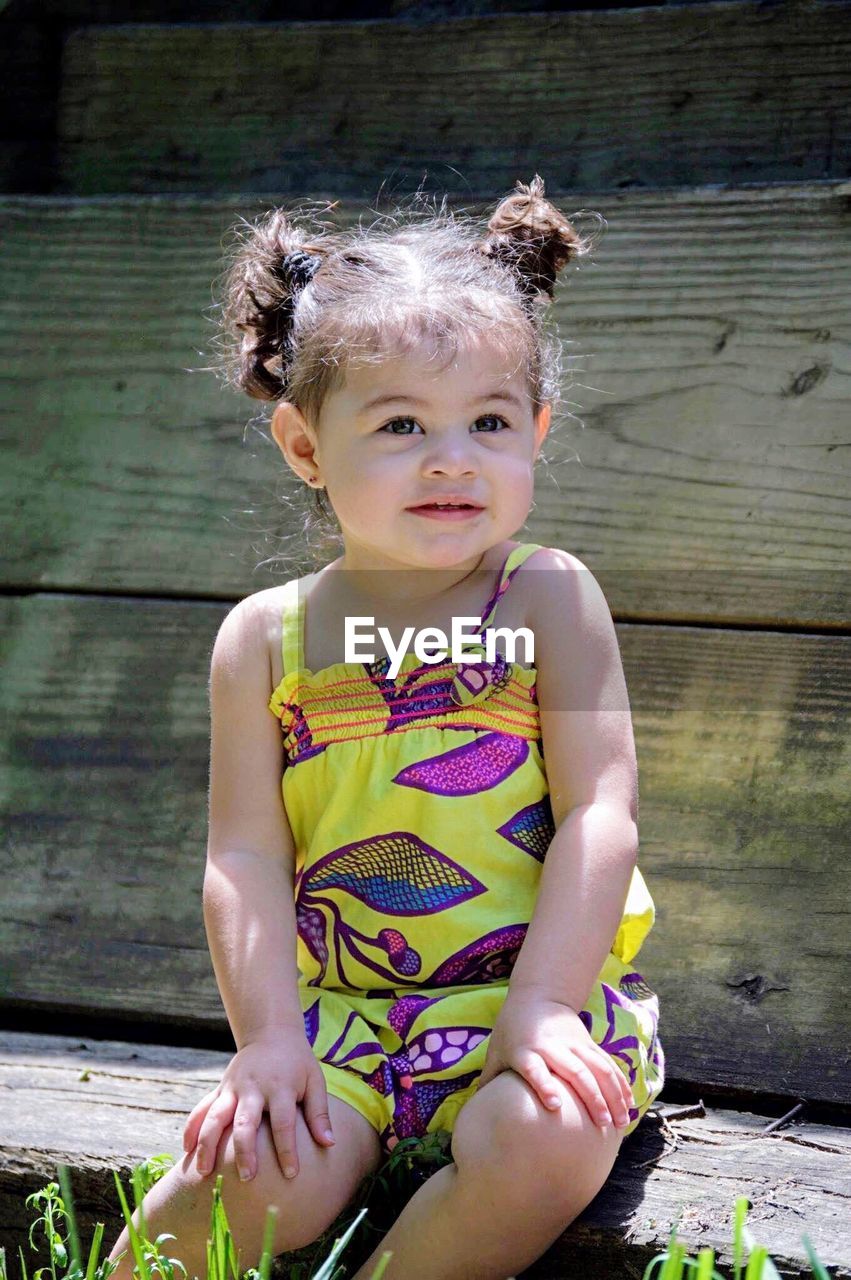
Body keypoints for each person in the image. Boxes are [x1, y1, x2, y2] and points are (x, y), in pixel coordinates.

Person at [106, 175, 665, 1280]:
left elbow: (603, 813)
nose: (451, 456)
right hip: (343, 1020)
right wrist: (268, 1041)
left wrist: (546, 1006)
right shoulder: (268, 639)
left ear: (537, 432)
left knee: (541, 1139)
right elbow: (245, 855)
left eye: (489, 422)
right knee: (254, 1173)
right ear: (304, 445)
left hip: (537, 1003)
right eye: (401, 423)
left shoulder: (544, 598)